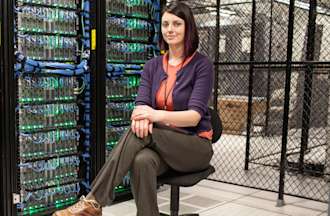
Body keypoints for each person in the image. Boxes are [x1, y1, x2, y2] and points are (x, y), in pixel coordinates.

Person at [53, 1, 214, 216]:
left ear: (188, 28)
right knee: (142, 160)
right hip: (160, 144)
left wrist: (153, 115)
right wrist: (142, 117)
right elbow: (140, 105)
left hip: (194, 147)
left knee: (137, 135)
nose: (170, 29)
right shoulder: (153, 66)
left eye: (177, 24)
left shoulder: (202, 65)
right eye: (165, 24)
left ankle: (93, 201)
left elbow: (194, 117)